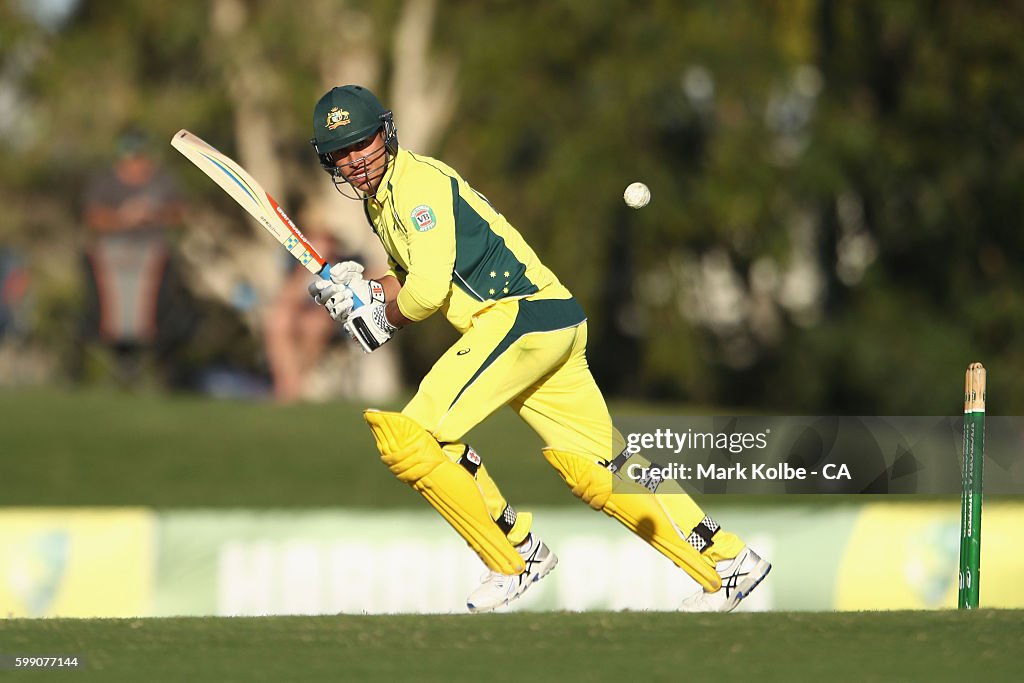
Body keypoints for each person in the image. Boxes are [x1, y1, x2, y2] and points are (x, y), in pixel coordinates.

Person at [306, 84, 771, 613]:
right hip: (553, 318)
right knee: (598, 466)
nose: (354, 160)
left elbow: (428, 292)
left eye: (361, 143)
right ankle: (727, 562)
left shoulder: (416, 185)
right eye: (340, 153)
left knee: (412, 437)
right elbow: (408, 279)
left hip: (517, 316)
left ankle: (514, 553)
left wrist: (378, 319)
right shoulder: (380, 202)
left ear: (384, 134)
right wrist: (360, 293)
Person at [80, 127, 192, 386]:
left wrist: (153, 214)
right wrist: (123, 218)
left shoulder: (163, 180)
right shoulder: (104, 181)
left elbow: (180, 214)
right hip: (111, 262)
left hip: (154, 262)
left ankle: (165, 370)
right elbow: (93, 217)